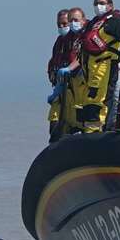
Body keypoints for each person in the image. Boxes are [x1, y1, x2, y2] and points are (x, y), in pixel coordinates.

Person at [65, 0, 120, 134]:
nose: (98, 6)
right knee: (89, 101)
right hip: (90, 68)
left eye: (101, 3)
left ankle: (97, 131)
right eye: (96, 3)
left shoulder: (115, 21)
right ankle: (87, 131)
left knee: (100, 101)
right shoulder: (95, 22)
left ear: (110, 5)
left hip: (105, 66)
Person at [46, 8, 84, 141]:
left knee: (76, 123)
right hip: (60, 91)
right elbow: (54, 61)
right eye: (59, 25)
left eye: (65, 24)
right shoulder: (59, 42)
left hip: (74, 89)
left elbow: (79, 58)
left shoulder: (78, 39)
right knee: (55, 125)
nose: (62, 27)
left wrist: (67, 70)